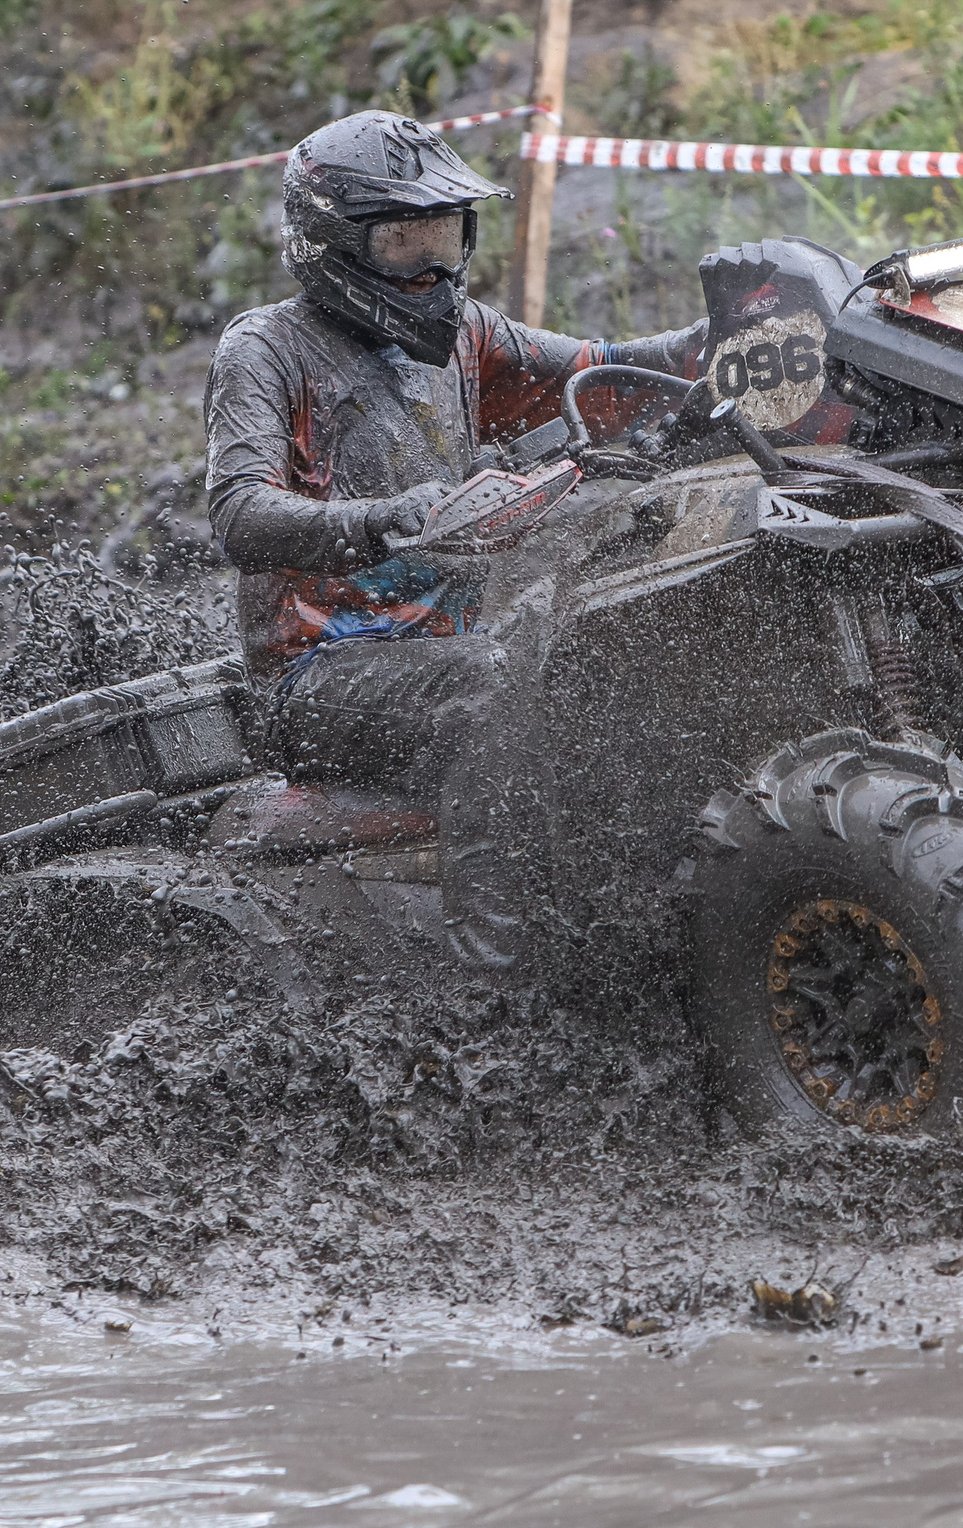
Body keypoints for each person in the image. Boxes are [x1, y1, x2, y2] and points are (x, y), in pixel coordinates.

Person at [203, 110, 704, 971]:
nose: (433, 267)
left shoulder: (467, 337)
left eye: (447, 235)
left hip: (448, 651)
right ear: (333, 244)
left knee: (607, 651)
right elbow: (239, 514)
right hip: (314, 676)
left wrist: (736, 338)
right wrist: (383, 518)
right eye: (405, 243)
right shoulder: (266, 349)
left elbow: (613, 373)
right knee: (493, 682)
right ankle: (495, 985)